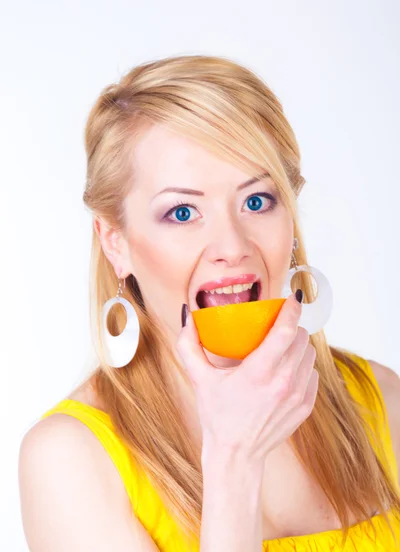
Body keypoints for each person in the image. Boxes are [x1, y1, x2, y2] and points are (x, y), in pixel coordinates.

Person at [18, 55, 400, 551]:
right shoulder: (68, 462)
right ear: (116, 241)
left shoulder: (382, 401)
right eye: (182, 212)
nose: (233, 246)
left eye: (257, 200)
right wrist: (234, 458)